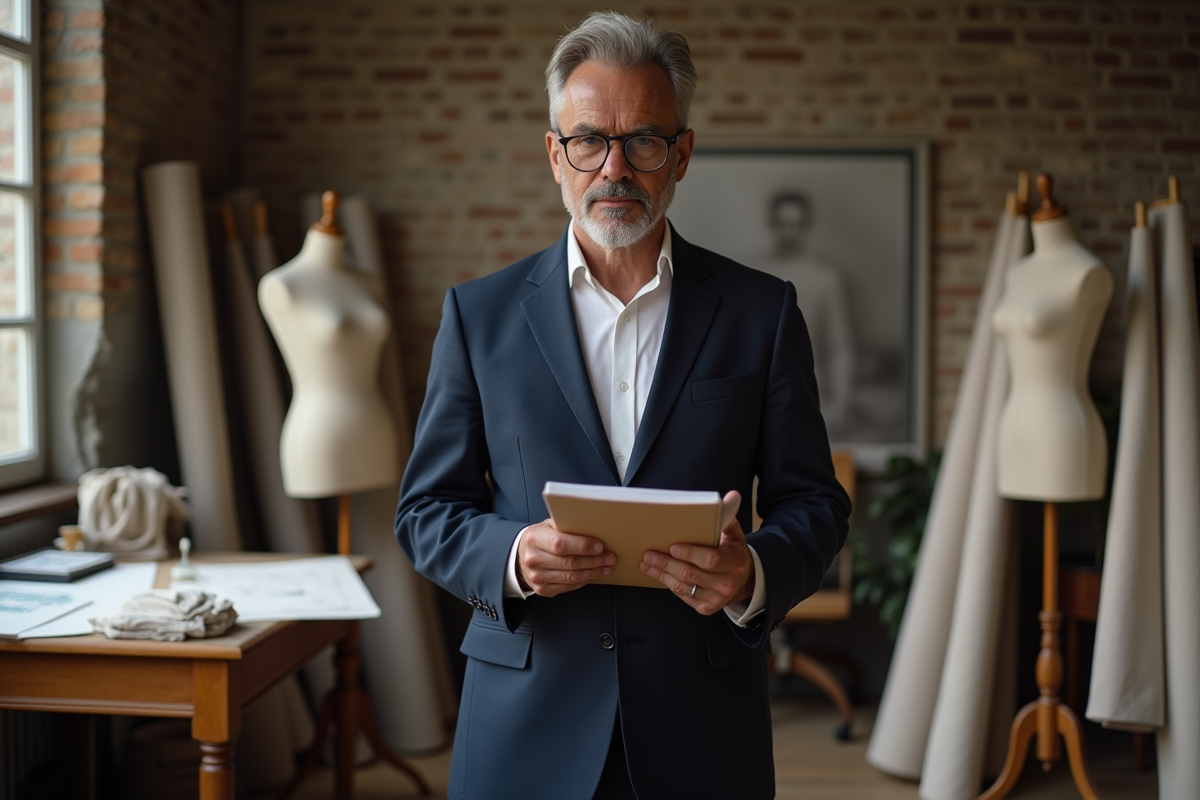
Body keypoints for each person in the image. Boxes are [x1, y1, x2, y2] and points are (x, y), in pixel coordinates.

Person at [395, 12, 850, 800]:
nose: (614, 168)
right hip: (523, 725)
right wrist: (511, 557)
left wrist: (753, 574)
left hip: (701, 729)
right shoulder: (480, 316)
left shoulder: (761, 311)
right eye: (588, 141)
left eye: (643, 140)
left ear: (682, 153)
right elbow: (425, 510)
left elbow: (816, 502)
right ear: (554, 154)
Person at [758, 191, 857, 438]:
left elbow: (840, 346)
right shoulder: (752, 271)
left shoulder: (827, 278)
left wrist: (841, 402)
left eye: (796, 224)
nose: (789, 231)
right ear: (773, 224)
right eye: (783, 224)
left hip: (812, 393)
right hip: (758, 394)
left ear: (806, 226)